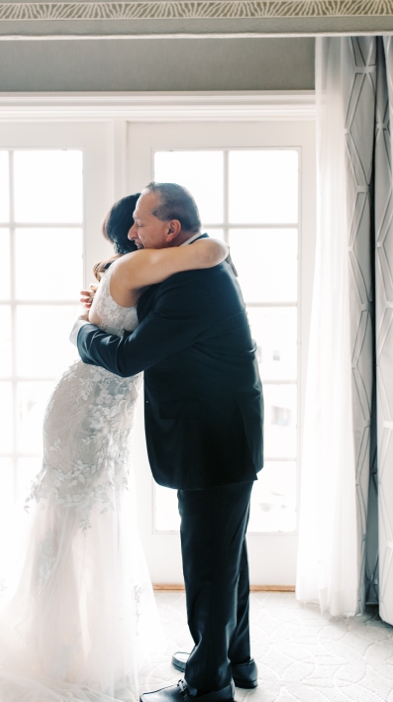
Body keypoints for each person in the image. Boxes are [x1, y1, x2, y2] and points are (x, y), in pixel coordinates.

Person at [0, 193, 230, 702]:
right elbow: (209, 252)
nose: (133, 231)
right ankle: (50, 644)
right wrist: (85, 323)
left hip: (104, 410)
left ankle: (74, 639)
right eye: (130, 224)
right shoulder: (139, 264)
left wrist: (90, 312)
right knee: (62, 520)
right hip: (85, 408)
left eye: (138, 222)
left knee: (89, 521)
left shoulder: (137, 269)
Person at [76, 183, 263, 702]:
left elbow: (129, 357)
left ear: (171, 229)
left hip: (212, 439)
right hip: (225, 432)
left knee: (207, 559)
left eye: (140, 222)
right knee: (226, 554)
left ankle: (208, 684)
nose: (133, 233)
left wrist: (80, 331)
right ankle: (232, 656)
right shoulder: (195, 263)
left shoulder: (195, 281)